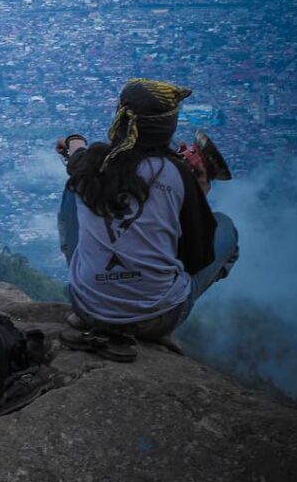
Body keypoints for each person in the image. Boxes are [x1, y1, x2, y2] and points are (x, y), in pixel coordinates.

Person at [56, 79, 238, 352]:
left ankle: (98, 296)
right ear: (169, 127)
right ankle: (151, 307)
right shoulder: (176, 174)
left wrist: (74, 141)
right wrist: (198, 196)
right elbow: (196, 258)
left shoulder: (91, 164)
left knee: (76, 188)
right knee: (225, 228)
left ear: (122, 118)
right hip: (157, 319)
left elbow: (77, 156)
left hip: (87, 308)